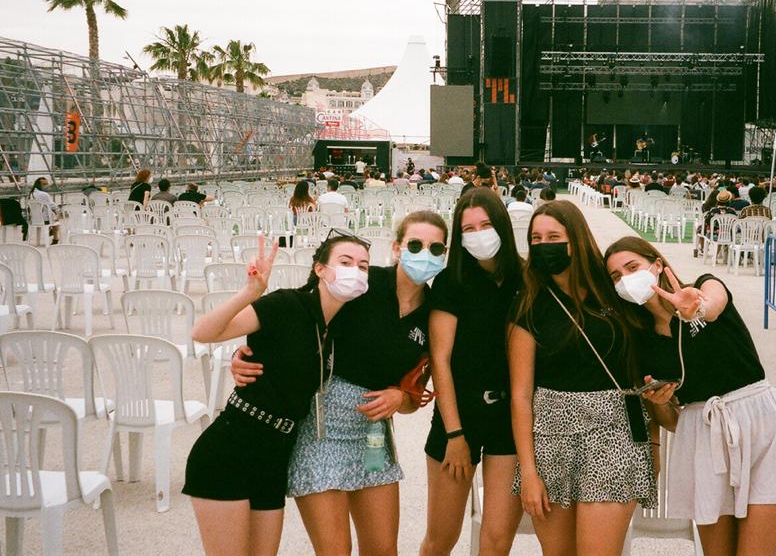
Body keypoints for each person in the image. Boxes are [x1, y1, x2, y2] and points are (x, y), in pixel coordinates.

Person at [603, 236, 776, 556]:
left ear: (657, 265)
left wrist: (698, 308)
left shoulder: (703, 286)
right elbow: (671, 420)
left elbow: (714, 303)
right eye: (616, 276)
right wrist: (659, 402)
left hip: (757, 422)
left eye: (632, 267)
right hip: (701, 436)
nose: (626, 279)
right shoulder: (639, 341)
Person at [232, 213, 448, 556]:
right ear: (396, 248)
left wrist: (399, 397)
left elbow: (414, 393)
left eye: (435, 248)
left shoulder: (434, 312)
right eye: (415, 245)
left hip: (373, 438)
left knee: (383, 551)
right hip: (321, 429)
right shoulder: (363, 282)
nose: (425, 253)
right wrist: (247, 353)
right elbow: (299, 314)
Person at [184, 233, 370, 555]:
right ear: (320, 269)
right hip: (230, 450)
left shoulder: (340, 326)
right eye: (345, 262)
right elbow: (203, 332)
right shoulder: (286, 304)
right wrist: (250, 292)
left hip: (275, 458)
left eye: (363, 266)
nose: (355, 270)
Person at [508, 201, 656, 556]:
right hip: (551, 437)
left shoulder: (612, 287)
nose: (544, 245)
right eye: (536, 239)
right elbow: (521, 395)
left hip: (614, 434)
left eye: (554, 237)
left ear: (575, 239)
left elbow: (663, 317)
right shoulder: (529, 303)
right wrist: (528, 472)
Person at [420, 189, 524, 556]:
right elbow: (440, 359)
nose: (479, 234)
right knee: (441, 539)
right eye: (468, 228)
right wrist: (454, 434)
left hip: (508, 417)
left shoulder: (524, 278)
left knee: (496, 541)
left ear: (502, 226)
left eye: (486, 225)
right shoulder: (452, 281)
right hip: (458, 415)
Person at [28, 177, 59, 244]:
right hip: (44, 220)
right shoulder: (44, 194)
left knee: (49, 214)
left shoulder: (31, 194)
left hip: (34, 219)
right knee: (56, 219)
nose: (47, 186)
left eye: (47, 184)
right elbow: (52, 206)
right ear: (39, 185)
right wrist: (57, 211)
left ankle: (50, 229)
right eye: (45, 184)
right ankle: (55, 239)